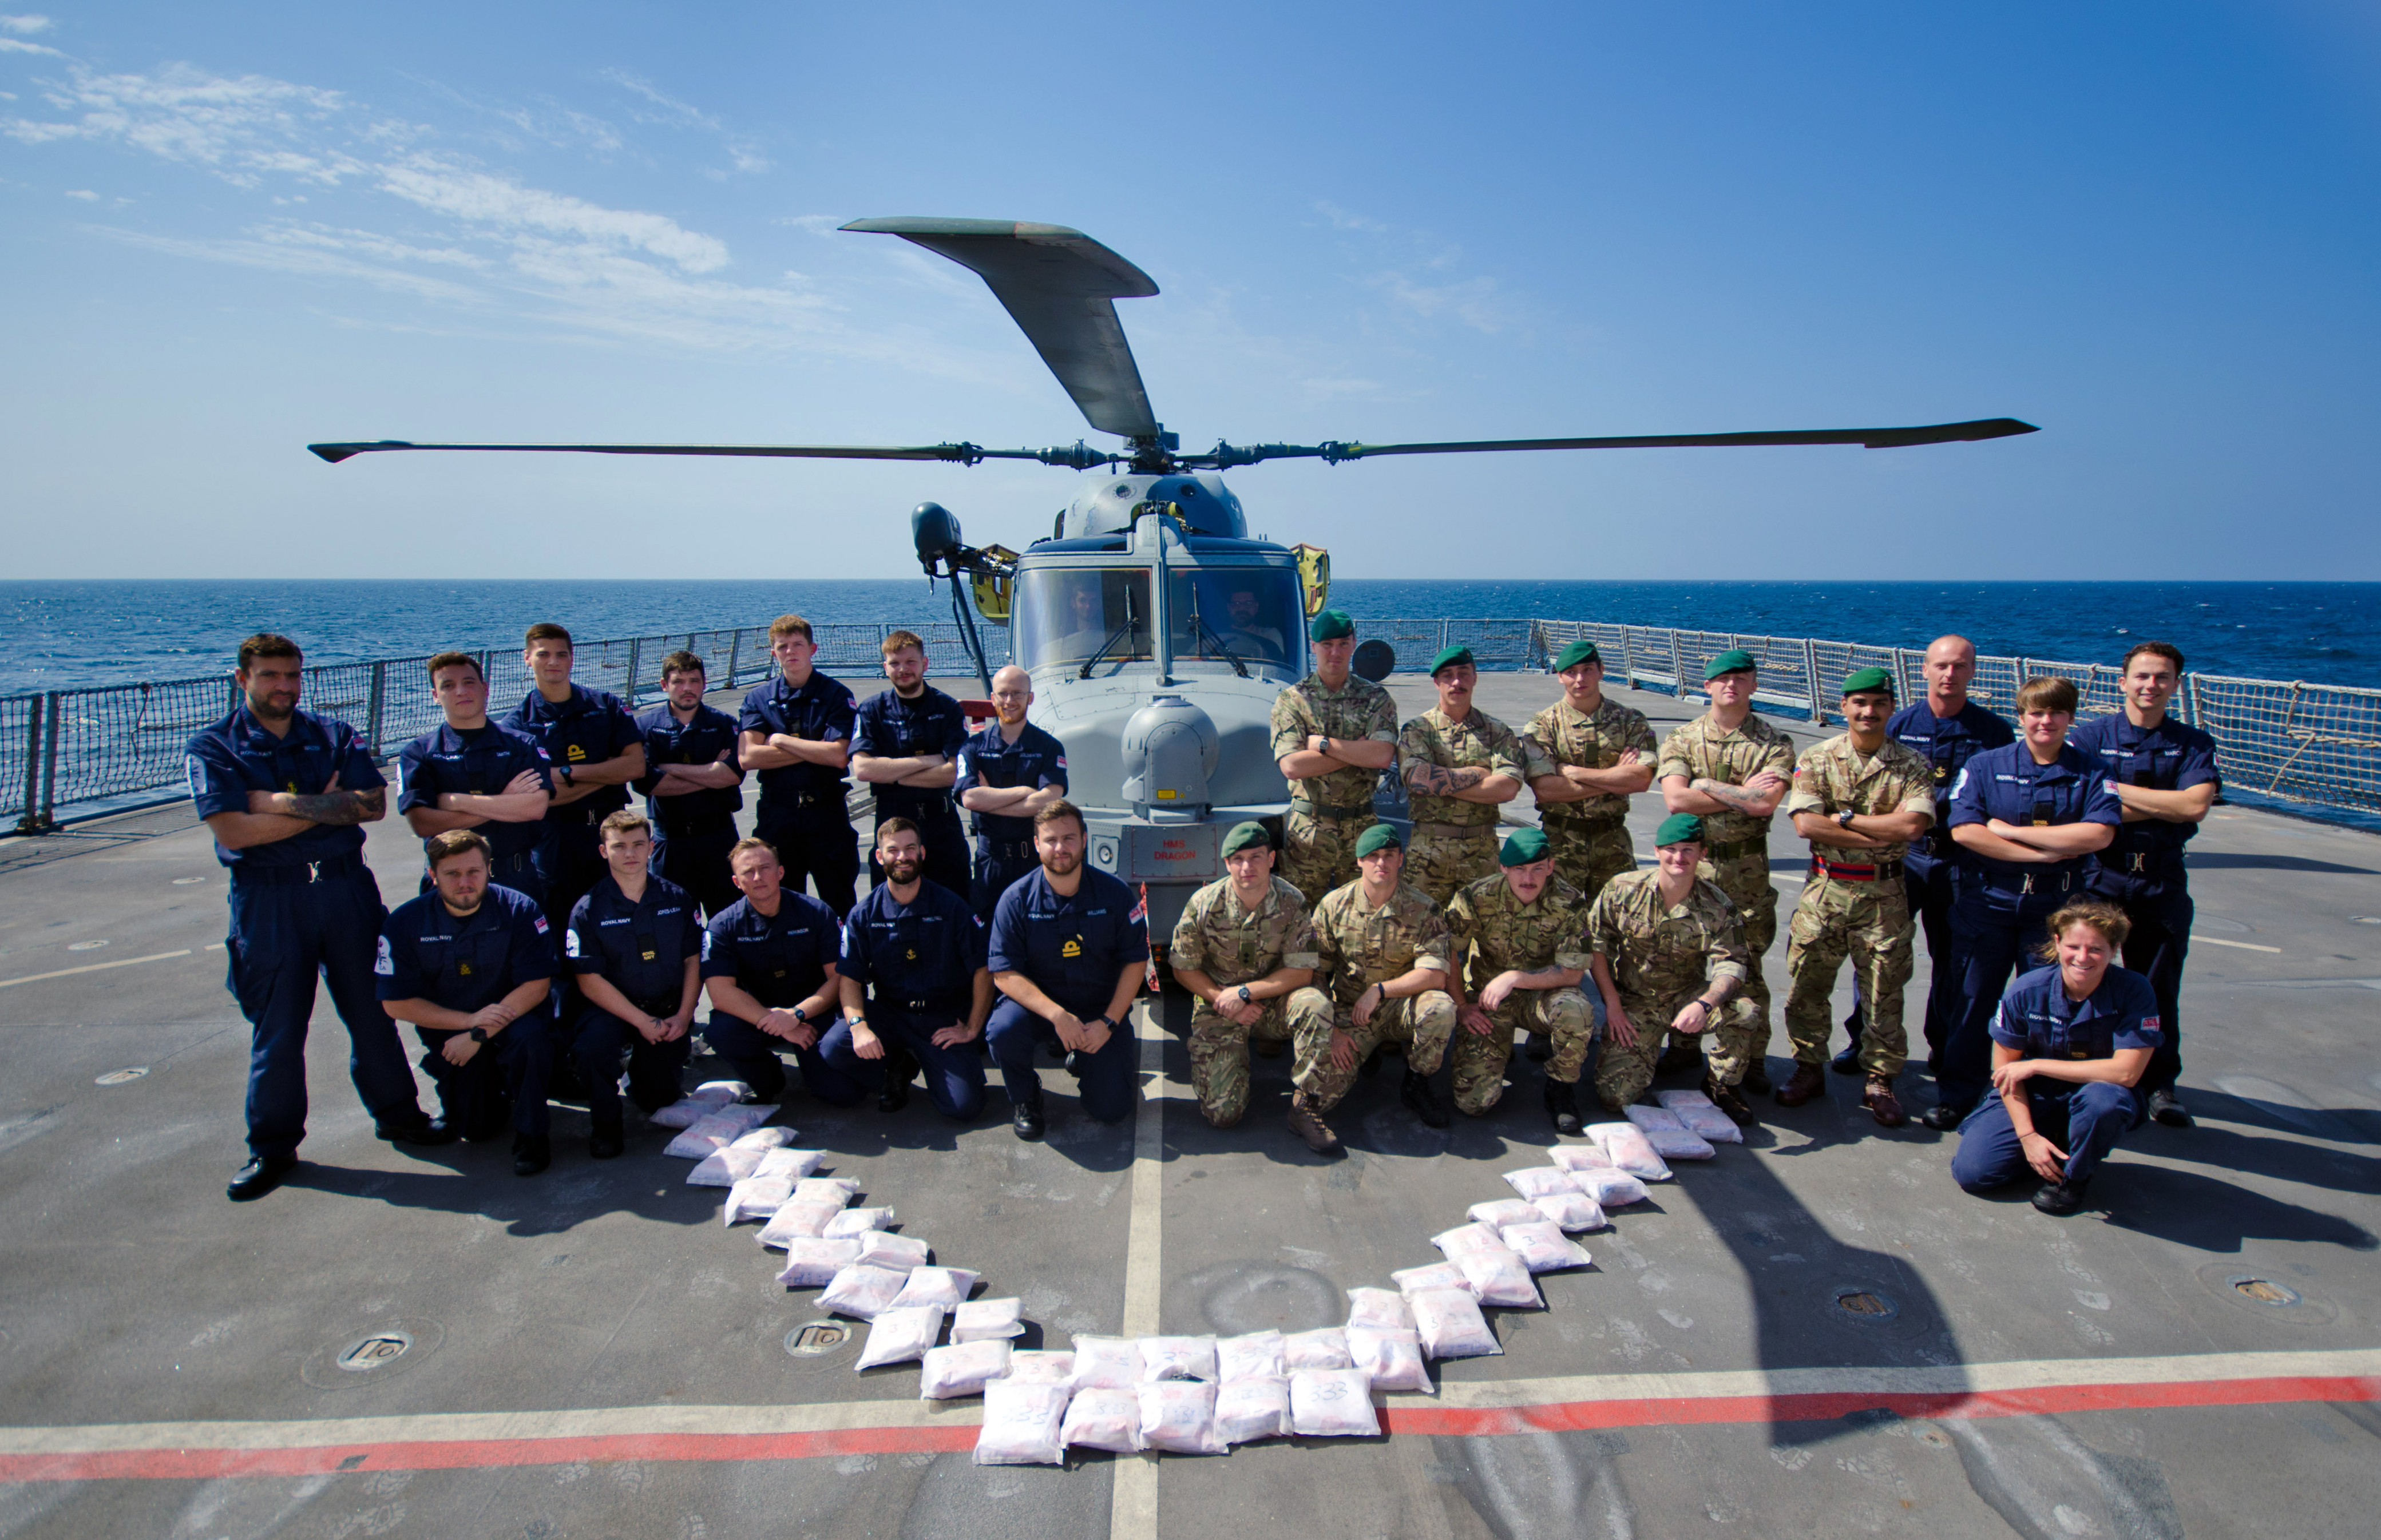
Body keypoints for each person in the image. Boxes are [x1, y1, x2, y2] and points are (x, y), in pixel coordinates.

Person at [187, 633, 446, 1202]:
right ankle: (273, 1147)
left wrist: (273, 803)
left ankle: (400, 1115)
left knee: (373, 1010)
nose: (283, 686)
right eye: (270, 675)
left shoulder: (332, 733)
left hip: (345, 889)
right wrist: (327, 806)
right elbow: (232, 830)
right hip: (269, 901)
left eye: (292, 675)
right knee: (278, 1030)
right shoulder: (215, 747)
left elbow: (372, 804)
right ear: (242, 678)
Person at [1931, 676, 2123, 1129]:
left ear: (2069, 719)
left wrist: (2013, 833)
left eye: (2056, 713)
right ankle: (1958, 1094)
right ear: (2020, 717)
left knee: (2046, 1007)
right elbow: (1965, 830)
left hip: (2054, 908)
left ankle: (2041, 1099)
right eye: (2035, 712)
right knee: (1973, 1000)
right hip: (1989, 902)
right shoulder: (1985, 765)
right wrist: (2044, 854)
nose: (2045, 721)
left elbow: (2099, 832)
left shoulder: (2092, 771)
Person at [1835, 634, 2014, 1075]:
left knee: (1955, 961)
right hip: (1904, 856)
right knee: (1879, 953)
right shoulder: (1897, 725)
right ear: (1924, 670)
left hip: (1962, 862)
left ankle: (1945, 1046)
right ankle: (1863, 1042)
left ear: (1972, 671)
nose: (1949, 674)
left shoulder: (1993, 732)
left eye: (1959, 666)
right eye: (1940, 666)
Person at [1774, 668, 1938, 1126]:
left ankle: (1879, 1079)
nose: (1868, 712)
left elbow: (1911, 827)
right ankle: (1808, 1069)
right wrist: (1875, 830)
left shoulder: (1911, 764)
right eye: (1859, 703)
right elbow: (1806, 824)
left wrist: (1843, 820)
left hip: (1883, 893)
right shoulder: (1818, 758)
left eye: (1878, 703)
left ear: (1891, 707)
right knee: (1807, 985)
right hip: (1825, 890)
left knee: (1884, 991)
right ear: (1843, 706)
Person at [2070, 641, 2218, 1129]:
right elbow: (2083, 806)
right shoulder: (2091, 738)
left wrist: (2112, 792)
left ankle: (2158, 1084)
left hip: (2159, 879)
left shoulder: (2193, 743)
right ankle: (2084, 1073)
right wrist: (2165, 800)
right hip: (2101, 875)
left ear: (2176, 685)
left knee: (2156, 990)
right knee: (2084, 979)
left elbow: (2195, 806)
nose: (2150, 685)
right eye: (2141, 676)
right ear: (2122, 681)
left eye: (2161, 677)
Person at [1950, 902, 2161, 1216]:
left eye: (2096, 949)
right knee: (1974, 1173)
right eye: (2073, 946)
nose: (2083, 957)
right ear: (2058, 943)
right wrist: (2028, 1136)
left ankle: (2075, 1178)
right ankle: (2058, 1140)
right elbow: (2005, 1071)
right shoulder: (2026, 991)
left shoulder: (2134, 990)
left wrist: (2036, 1064)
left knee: (2104, 1104)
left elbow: (2127, 1073)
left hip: (2098, 1090)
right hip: (2037, 1093)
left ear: (2115, 949)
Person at [375, 830, 558, 1176]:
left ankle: (533, 1134)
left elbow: (536, 986)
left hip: (512, 1019)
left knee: (531, 1041)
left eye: (474, 871)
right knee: (477, 1129)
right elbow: (396, 1004)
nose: (464, 882)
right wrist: (468, 1024)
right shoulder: (404, 923)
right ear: (433, 874)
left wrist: (479, 1032)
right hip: (453, 1031)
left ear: (489, 868)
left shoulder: (519, 909)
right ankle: (494, 1089)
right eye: (452, 874)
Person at [1656, 648, 1797, 1094]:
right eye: (1721, 679)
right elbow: (1676, 800)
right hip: (1692, 867)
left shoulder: (1774, 743)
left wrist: (1704, 785)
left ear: (1753, 684)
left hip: (1746, 869)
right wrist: (1739, 793)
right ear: (1707, 685)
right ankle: (1683, 1046)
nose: (1730, 686)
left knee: (1747, 965)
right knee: (1686, 959)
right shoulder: (1682, 738)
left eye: (1740, 678)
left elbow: (1766, 803)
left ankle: (1752, 1059)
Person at [986, 800, 1150, 1139]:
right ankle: (1027, 1096)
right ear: (1036, 844)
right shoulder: (1015, 900)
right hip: (1041, 1010)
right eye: (1050, 840)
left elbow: (1136, 961)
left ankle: (1084, 1057)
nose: (1060, 848)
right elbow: (1003, 973)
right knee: (1003, 1030)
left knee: (1112, 1111)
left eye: (1069, 838)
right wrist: (1058, 1016)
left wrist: (1108, 1023)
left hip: (1098, 1011)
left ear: (1085, 840)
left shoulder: (1116, 893)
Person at [1167, 822, 1336, 1148]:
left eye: (1257, 857)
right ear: (1227, 864)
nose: (1248, 867)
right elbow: (1183, 969)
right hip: (1221, 1005)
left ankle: (1305, 1106)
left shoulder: (1292, 902)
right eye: (1238, 859)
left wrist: (1245, 993)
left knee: (1316, 1004)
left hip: (1274, 1001)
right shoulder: (1203, 904)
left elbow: (1301, 972)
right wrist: (1224, 999)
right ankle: (1234, 1068)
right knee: (1223, 1115)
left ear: (1272, 858)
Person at [1586, 813, 1763, 1121]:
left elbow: (1732, 963)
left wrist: (1705, 1004)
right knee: (1616, 1097)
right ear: (1656, 851)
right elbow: (1596, 946)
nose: (1678, 857)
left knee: (1744, 1012)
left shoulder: (1718, 905)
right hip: (1636, 1000)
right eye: (1670, 849)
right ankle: (1658, 1050)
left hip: (1687, 997)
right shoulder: (1623, 889)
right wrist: (1612, 1005)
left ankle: (1721, 1084)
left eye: (1688, 850)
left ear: (1702, 854)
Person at [826, 818, 995, 1122]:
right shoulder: (864, 914)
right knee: (834, 1047)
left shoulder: (951, 907)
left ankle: (929, 1063)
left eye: (910, 849)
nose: (902, 857)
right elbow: (850, 977)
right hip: (892, 1014)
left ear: (922, 854)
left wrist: (971, 1027)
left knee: (964, 1107)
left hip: (941, 1018)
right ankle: (898, 1064)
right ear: (879, 857)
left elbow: (983, 969)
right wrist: (858, 1026)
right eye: (893, 850)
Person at [1443, 828, 1600, 1133]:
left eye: (1537, 869)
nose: (1528, 879)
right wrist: (1462, 1006)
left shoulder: (1570, 902)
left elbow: (1572, 972)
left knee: (1577, 1010)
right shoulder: (1476, 897)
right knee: (1474, 1103)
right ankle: (1498, 1049)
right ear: (1503, 868)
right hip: (1490, 1000)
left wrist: (1515, 978)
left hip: (1543, 997)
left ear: (1551, 867)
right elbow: (1447, 951)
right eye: (1519, 870)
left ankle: (1560, 1088)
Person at [565, 811, 702, 1158]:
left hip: (665, 1008)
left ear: (651, 847)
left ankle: (638, 1068)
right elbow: (588, 978)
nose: (630, 854)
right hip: (612, 1011)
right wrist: (639, 1022)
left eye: (638, 844)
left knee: (659, 1099)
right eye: (619, 846)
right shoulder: (587, 909)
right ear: (603, 851)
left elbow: (693, 959)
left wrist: (685, 1015)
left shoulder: (678, 898)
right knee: (593, 1049)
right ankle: (606, 1126)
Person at [1305, 824, 1459, 1130]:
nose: (1382, 864)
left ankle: (1417, 1082)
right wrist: (1332, 1030)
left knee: (1440, 1007)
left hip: (1402, 1006)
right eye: (1373, 856)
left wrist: (1380, 989)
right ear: (1358, 861)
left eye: (1390, 855)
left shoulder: (1423, 907)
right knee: (1319, 1095)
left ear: (1401, 859)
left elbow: (1435, 975)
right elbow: (1315, 972)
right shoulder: (1333, 906)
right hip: (1353, 1012)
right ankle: (1367, 1050)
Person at [501, 623, 645, 933]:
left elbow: (635, 766)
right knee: (563, 927)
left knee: (622, 923)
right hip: (556, 839)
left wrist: (567, 773)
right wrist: (608, 773)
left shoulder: (605, 706)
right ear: (527, 658)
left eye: (561, 654)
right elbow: (539, 794)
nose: (553, 662)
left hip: (613, 833)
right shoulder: (516, 725)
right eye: (543, 655)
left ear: (572, 658)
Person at [395, 651, 554, 906]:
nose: (460, 691)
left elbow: (535, 807)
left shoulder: (523, 745)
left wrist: (455, 801)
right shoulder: (418, 753)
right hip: (449, 885)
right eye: (448, 685)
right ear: (436, 695)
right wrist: (506, 802)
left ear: (485, 688)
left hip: (515, 877)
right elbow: (423, 823)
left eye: (469, 682)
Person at [698, 837, 848, 1105]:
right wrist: (781, 1024)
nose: (758, 877)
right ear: (736, 881)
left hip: (813, 1011)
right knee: (721, 1031)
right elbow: (721, 994)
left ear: (780, 872)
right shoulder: (723, 926)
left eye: (765, 868)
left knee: (839, 1094)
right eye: (748, 872)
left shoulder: (816, 913)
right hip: (761, 1014)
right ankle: (769, 1079)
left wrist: (797, 1014)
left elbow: (839, 979)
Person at [1270, 609, 1399, 905]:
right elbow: (1291, 766)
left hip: (1362, 827)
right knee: (1300, 917)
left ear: (1354, 643)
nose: (1335, 652)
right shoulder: (1293, 700)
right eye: (1327, 645)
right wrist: (1357, 750)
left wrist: (1324, 745)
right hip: (1309, 829)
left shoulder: (1375, 698)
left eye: (1343, 644)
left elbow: (1382, 755)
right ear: (1313, 647)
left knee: (1361, 914)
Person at [1399, 645, 1542, 908]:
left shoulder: (1497, 732)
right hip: (1428, 854)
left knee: (1484, 934)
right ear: (1436, 682)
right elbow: (1418, 780)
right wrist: (1478, 773)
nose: (1456, 682)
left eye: (1464, 674)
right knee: (1424, 932)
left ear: (1475, 677)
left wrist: (1440, 784)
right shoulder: (1418, 730)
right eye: (1448, 675)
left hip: (1481, 851)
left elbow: (1508, 788)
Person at [737, 614, 861, 917]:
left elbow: (838, 756)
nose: (790, 652)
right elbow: (748, 758)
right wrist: (813, 747)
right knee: (782, 904)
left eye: (797, 645)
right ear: (773, 653)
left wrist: (779, 739)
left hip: (826, 813)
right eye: (782, 647)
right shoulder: (758, 697)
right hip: (778, 814)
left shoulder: (836, 695)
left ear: (812, 649)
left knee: (839, 900)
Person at [1524, 638, 1657, 903]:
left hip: (1613, 840)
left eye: (1587, 670)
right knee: (1558, 923)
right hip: (1561, 840)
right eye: (1571, 672)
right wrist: (1616, 775)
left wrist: (1575, 772)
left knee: (1618, 921)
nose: (1579, 679)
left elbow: (1641, 779)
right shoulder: (1543, 725)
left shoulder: (1630, 720)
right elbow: (1546, 789)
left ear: (1601, 670)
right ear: (1560, 677)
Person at [850, 630, 971, 898]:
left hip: (941, 826)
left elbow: (953, 773)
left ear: (925, 664)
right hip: (892, 826)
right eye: (894, 663)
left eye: (911, 662)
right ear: (885, 667)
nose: (903, 669)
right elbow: (863, 770)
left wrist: (891, 774)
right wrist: (927, 761)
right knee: (892, 909)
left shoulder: (948, 708)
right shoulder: (872, 711)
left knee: (955, 907)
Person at [632, 650, 744, 923]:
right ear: (664, 685)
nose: (687, 689)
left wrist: (670, 768)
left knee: (730, 920)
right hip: (671, 843)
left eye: (694, 681)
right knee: (673, 924)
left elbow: (730, 776)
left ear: (704, 684)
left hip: (719, 838)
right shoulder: (645, 726)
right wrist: (709, 774)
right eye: (678, 682)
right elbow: (649, 783)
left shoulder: (724, 725)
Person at [953, 664, 1069, 918]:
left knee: (1038, 935)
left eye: (1017, 694)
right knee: (986, 935)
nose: (1009, 701)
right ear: (992, 698)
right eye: (1003, 694)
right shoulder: (973, 747)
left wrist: (990, 799)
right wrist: (1025, 791)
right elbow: (970, 798)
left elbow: (1049, 800)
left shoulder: (1050, 747)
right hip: (989, 863)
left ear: (1030, 697)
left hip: (1034, 861)